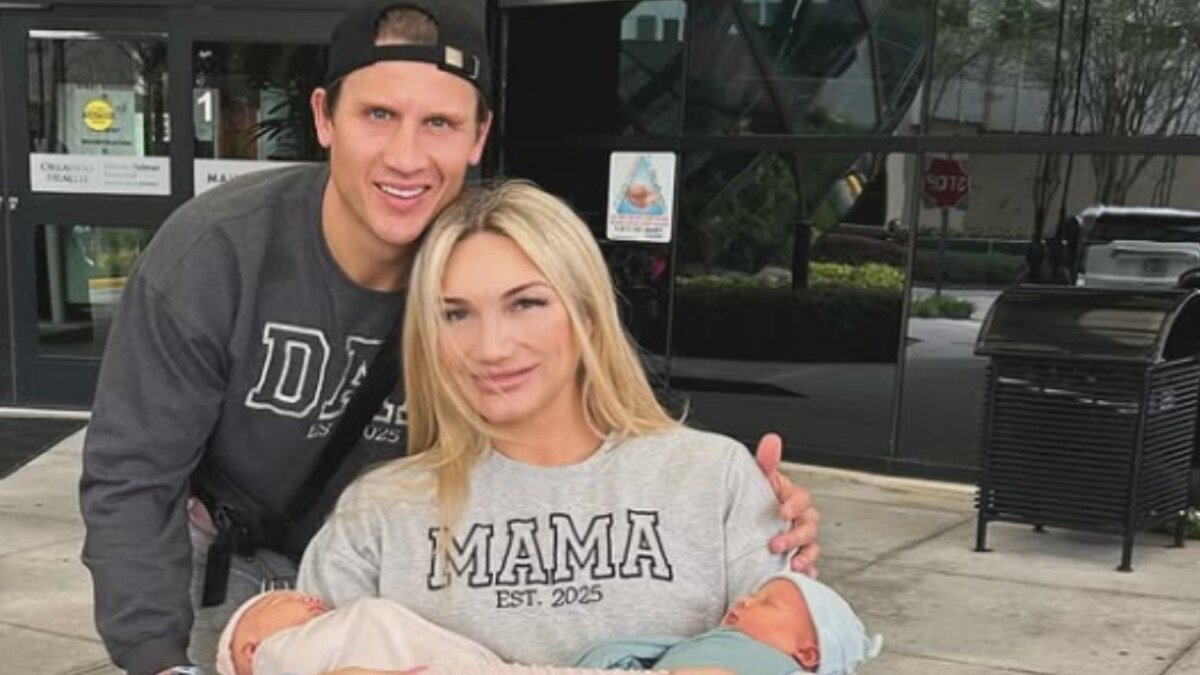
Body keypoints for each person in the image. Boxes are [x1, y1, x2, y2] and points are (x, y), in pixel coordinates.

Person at [78, 3, 819, 675]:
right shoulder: (216, 253)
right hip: (252, 557)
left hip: (414, 571)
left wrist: (741, 503)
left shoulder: (488, 250)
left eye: (439, 122)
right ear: (325, 117)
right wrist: (156, 659)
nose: (406, 156)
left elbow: (583, 392)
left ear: (478, 135)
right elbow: (132, 474)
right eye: (378, 114)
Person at [296, 181, 813, 667]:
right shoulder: (380, 512)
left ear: (588, 314)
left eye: (526, 303)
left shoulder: (713, 480)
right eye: (455, 314)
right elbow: (295, 654)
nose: (491, 347)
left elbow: (795, 656)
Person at [217, 570, 878, 675]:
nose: (745, 602)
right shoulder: (371, 511)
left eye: (766, 603)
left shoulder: (757, 656)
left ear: (809, 652)